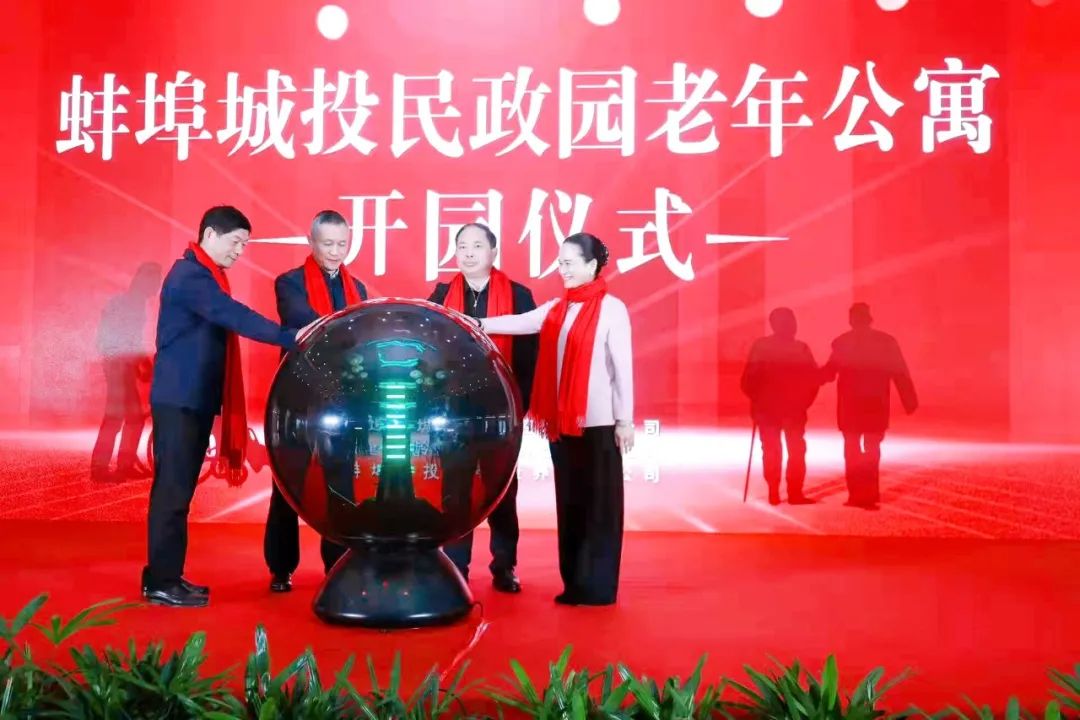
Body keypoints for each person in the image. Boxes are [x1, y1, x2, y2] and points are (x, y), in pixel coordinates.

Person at [143, 206, 314, 608]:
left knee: (178, 491)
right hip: (180, 401)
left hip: (193, 400)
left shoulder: (205, 275)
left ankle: (166, 576)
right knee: (172, 493)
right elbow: (233, 315)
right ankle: (162, 582)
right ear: (209, 235)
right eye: (236, 242)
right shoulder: (191, 276)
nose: (239, 251)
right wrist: (288, 337)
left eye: (244, 244)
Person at [477, 232, 633, 606]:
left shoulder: (612, 309)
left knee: (600, 509)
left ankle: (599, 587)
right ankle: (575, 584)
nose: (562, 269)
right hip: (563, 426)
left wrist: (624, 421)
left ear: (591, 265)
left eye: (569, 263)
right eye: (560, 262)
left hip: (599, 425)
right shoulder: (557, 308)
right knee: (570, 505)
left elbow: (622, 370)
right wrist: (475, 323)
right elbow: (519, 322)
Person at [428, 223, 537, 594]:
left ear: (493, 252)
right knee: (455, 490)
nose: (469, 253)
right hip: (454, 413)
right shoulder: (441, 296)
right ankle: (456, 567)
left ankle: (504, 566)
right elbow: (429, 353)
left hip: (501, 413)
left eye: (477, 246)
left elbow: (529, 355)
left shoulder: (518, 295)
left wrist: (518, 407)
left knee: (502, 492)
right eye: (462, 246)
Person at [264, 210, 368, 593]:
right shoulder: (289, 283)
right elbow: (304, 321)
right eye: (328, 244)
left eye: (342, 244)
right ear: (311, 242)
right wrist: (347, 334)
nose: (336, 251)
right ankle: (281, 568)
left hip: (342, 400)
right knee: (287, 483)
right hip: (296, 396)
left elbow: (363, 339)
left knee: (341, 481)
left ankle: (336, 565)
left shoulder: (358, 288)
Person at [821, 302, 917, 509]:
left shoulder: (842, 343)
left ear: (851, 320)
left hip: (850, 406)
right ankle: (871, 493)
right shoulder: (886, 342)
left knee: (852, 450)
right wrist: (909, 400)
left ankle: (855, 494)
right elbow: (900, 372)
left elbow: (829, 372)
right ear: (869, 318)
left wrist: (806, 379)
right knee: (872, 448)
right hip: (876, 403)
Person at [740, 307, 819, 505]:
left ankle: (773, 491)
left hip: (767, 409)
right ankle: (794, 492)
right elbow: (813, 380)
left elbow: (748, 380)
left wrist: (756, 400)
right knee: (796, 450)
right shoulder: (800, 349)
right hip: (793, 409)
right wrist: (804, 402)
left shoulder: (761, 347)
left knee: (771, 450)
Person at [90, 262, 161, 482]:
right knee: (117, 417)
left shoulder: (126, 302)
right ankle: (102, 468)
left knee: (132, 418)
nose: (156, 287)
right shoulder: (133, 305)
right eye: (155, 281)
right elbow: (130, 340)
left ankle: (122, 465)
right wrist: (143, 363)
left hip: (117, 365)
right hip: (118, 366)